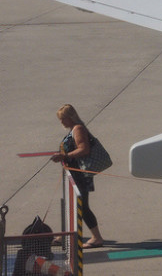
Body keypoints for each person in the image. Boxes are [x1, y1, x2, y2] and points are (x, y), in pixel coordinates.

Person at [49, 104, 105, 248]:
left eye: (63, 119)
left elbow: (84, 149)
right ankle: (66, 235)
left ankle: (97, 237)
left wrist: (65, 155)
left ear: (70, 117)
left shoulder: (78, 129)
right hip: (73, 174)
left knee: (82, 206)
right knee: (72, 205)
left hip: (80, 175)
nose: (61, 122)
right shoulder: (72, 130)